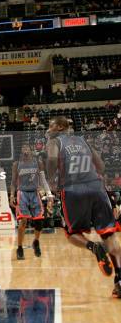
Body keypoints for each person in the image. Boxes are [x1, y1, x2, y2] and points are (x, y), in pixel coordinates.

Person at [47, 116, 121, 297]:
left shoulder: (55, 141)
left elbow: (51, 160)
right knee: (109, 234)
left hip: (73, 190)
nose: (49, 129)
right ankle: (119, 281)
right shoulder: (83, 141)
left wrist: (50, 178)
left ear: (61, 127)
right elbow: (102, 166)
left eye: (51, 125)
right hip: (96, 188)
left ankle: (93, 247)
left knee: (71, 233)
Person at [10, 143, 52, 260]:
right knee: (23, 221)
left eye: (27, 148)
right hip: (22, 193)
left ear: (31, 150)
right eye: (23, 148)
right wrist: (12, 195)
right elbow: (13, 182)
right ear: (21, 151)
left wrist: (48, 194)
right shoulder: (16, 164)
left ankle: (36, 242)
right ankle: (19, 248)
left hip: (34, 193)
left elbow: (43, 179)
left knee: (39, 222)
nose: (25, 149)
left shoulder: (38, 162)